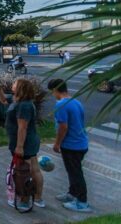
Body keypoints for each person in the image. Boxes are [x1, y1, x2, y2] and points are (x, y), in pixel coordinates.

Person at [0, 79, 44, 211]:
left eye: (15, 84)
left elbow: (22, 128)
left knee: (24, 172)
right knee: (33, 169)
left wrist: (19, 146)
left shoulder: (24, 105)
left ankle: (25, 200)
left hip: (25, 143)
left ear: (21, 87)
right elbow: (5, 102)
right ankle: (38, 198)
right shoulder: (18, 100)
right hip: (29, 141)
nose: (12, 85)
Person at [48, 79, 92, 213]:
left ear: (55, 90)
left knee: (75, 173)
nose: (52, 95)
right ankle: (72, 194)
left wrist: (57, 144)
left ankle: (82, 202)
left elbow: (63, 126)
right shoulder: (75, 101)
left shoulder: (61, 104)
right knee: (73, 171)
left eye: (52, 92)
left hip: (72, 146)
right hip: (81, 143)